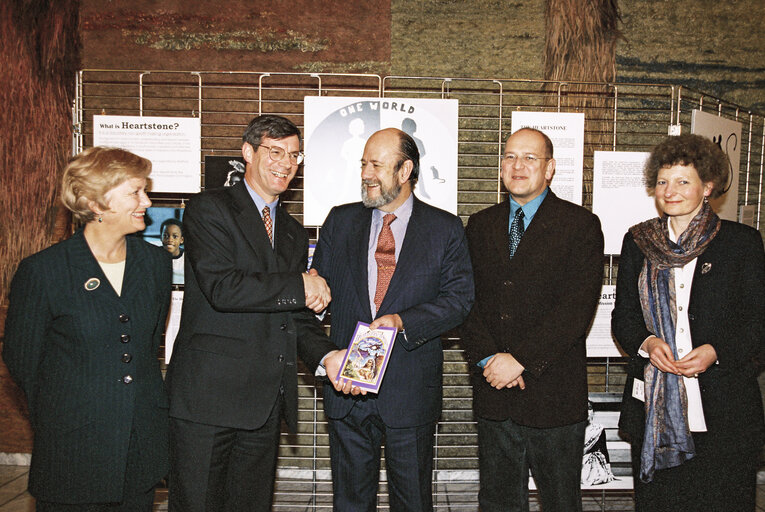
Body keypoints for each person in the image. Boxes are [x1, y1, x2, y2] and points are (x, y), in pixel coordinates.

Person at [165, 114, 349, 512]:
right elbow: (223, 287)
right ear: (248, 152)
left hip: (263, 406)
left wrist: (328, 355)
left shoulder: (292, 231)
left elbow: (292, 315)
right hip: (207, 402)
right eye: (275, 151)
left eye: (295, 155)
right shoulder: (210, 208)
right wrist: (301, 285)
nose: (286, 162)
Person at [311, 127, 474, 511]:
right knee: (350, 501)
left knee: (413, 500)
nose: (367, 173)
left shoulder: (444, 229)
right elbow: (320, 290)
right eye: (364, 164)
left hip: (410, 391)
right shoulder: (340, 221)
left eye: (377, 165)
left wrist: (402, 320)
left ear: (405, 171)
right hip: (347, 391)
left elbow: (459, 300)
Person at [3, 147, 172, 511]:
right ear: (96, 203)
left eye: (145, 190)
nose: (147, 201)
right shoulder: (45, 271)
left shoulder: (155, 264)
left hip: (138, 446)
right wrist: (66, 415)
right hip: (73, 449)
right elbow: (23, 360)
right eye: (135, 192)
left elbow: (146, 347)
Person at [612, 134, 764, 512]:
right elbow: (624, 316)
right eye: (663, 181)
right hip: (654, 408)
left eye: (683, 181)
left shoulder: (741, 243)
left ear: (707, 186)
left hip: (723, 407)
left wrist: (716, 351)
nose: (670, 190)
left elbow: (756, 321)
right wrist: (647, 342)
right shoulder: (638, 242)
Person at [462, 128, 604, 512]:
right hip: (494, 393)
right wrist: (489, 358)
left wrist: (519, 359)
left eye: (530, 158)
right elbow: (464, 302)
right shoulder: (480, 225)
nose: (517, 165)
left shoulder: (580, 226)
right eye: (510, 157)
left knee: (560, 502)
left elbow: (576, 309)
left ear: (550, 168)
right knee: (497, 502)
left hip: (553, 396)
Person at [160, 218, 184, 284]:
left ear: (182, 239)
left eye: (175, 236)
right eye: (165, 236)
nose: (170, 239)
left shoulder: (186, 259)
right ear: (160, 237)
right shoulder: (154, 256)